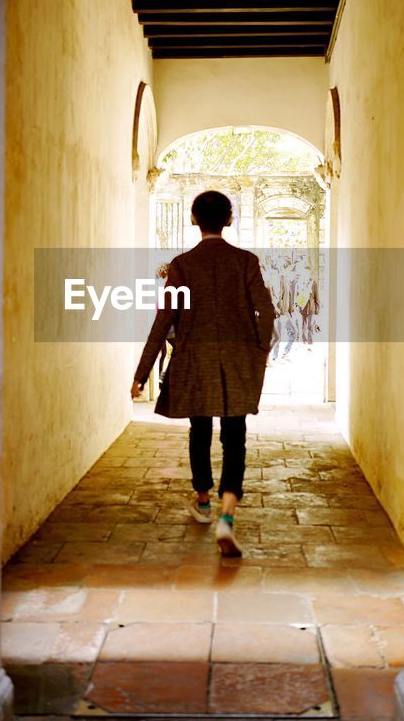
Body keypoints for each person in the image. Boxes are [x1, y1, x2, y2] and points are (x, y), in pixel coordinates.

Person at [130, 191, 276, 557]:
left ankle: (203, 502)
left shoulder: (182, 265)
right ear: (229, 219)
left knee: (200, 430)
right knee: (235, 435)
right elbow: (267, 311)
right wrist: (258, 348)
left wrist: (142, 372)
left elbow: (163, 321)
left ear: (194, 219)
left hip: (196, 361)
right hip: (238, 359)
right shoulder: (246, 262)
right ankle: (227, 516)